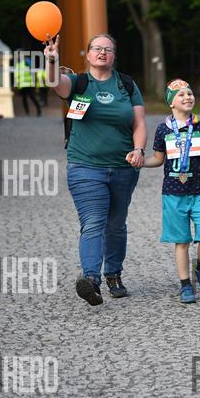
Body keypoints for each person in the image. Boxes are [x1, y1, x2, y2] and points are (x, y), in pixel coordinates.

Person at [44, 33, 146, 306]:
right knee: (93, 222)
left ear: (114, 56)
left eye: (108, 49)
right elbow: (55, 83)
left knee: (116, 224)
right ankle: (91, 279)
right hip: (85, 166)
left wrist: (139, 150)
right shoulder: (78, 82)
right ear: (88, 55)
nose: (102, 53)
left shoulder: (126, 84)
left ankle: (114, 274)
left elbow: (138, 123)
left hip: (124, 167)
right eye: (97, 49)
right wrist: (52, 61)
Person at [143, 79, 200, 304]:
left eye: (190, 93)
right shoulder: (163, 129)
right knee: (181, 241)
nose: (187, 97)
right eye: (181, 95)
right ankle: (185, 285)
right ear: (171, 103)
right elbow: (158, 159)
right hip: (173, 194)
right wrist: (140, 162)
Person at [13, 51, 41, 117]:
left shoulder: (27, 61)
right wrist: (16, 84)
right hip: (21, 85)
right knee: (24, 99)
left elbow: (33, 69)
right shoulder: (17, 65)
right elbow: (16, 75)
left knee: (32, 97)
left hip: (28, 84)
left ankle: (39, 110)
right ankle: (27, 113)